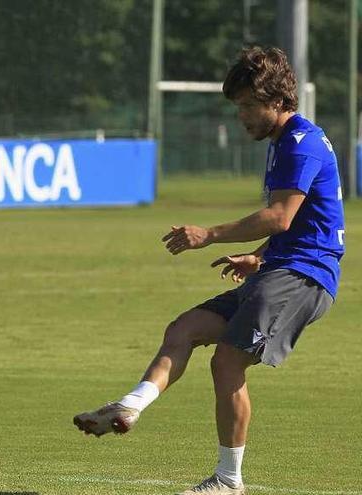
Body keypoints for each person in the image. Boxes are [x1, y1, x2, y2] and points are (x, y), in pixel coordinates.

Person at [73, 46, 344, 495]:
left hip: (303, 276)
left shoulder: (301, 143)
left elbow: (280, 216)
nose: (241, 116)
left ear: (277, 101)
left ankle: (227, 480)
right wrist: (258, 257)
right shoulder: (286, 142)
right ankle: (130, 405)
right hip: (282, 265)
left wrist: (211, 234)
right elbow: (304, 220)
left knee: (227, 360)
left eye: (247, 106)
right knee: (185, 328)